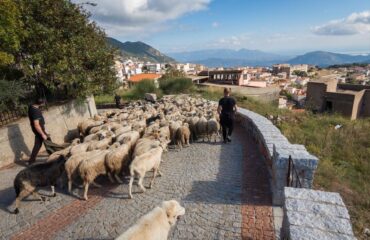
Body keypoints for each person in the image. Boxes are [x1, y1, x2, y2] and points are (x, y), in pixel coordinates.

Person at [27, 98, 48, 165]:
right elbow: (36, 125)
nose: (44, 104)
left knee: (39, 144)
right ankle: (31, 161)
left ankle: (31, 161)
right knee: (44, 142)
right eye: (43, 103)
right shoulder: (36, 112)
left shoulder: (32, 106)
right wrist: (42, 134)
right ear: (40, 103)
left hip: (37, 128)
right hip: (39, 129)